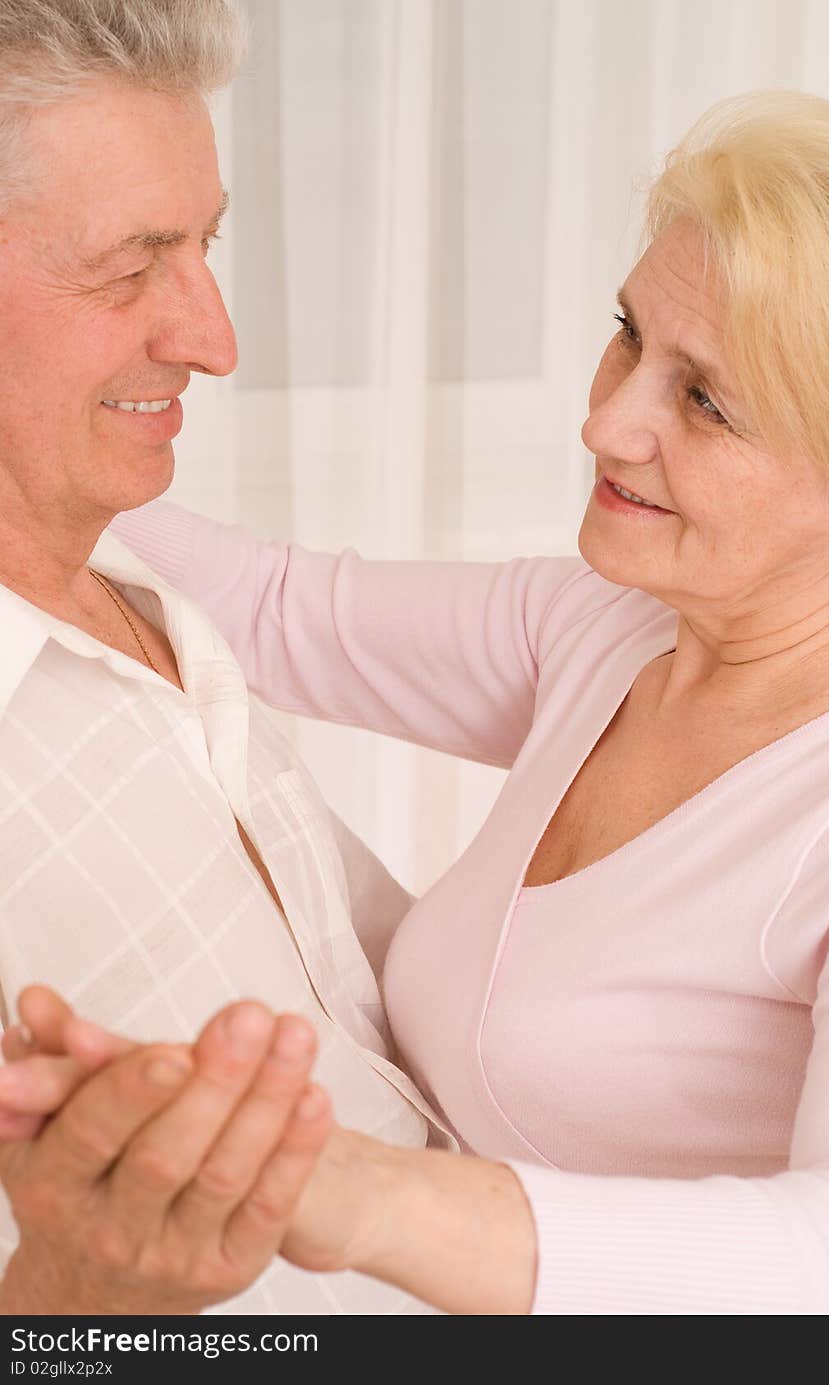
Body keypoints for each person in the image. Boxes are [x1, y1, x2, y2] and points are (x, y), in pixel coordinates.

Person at [7, 87, 829, 1314]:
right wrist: (46, 424)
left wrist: (338, 1187)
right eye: (630, 336)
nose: (606, 421)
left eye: (706, 402)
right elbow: (275, 606)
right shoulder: (612, 628)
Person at [0, 0, 453, 1316]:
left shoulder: (149, 586)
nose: (213, 339)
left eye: (204, 245)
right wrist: (72, 1301)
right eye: (131, 266)